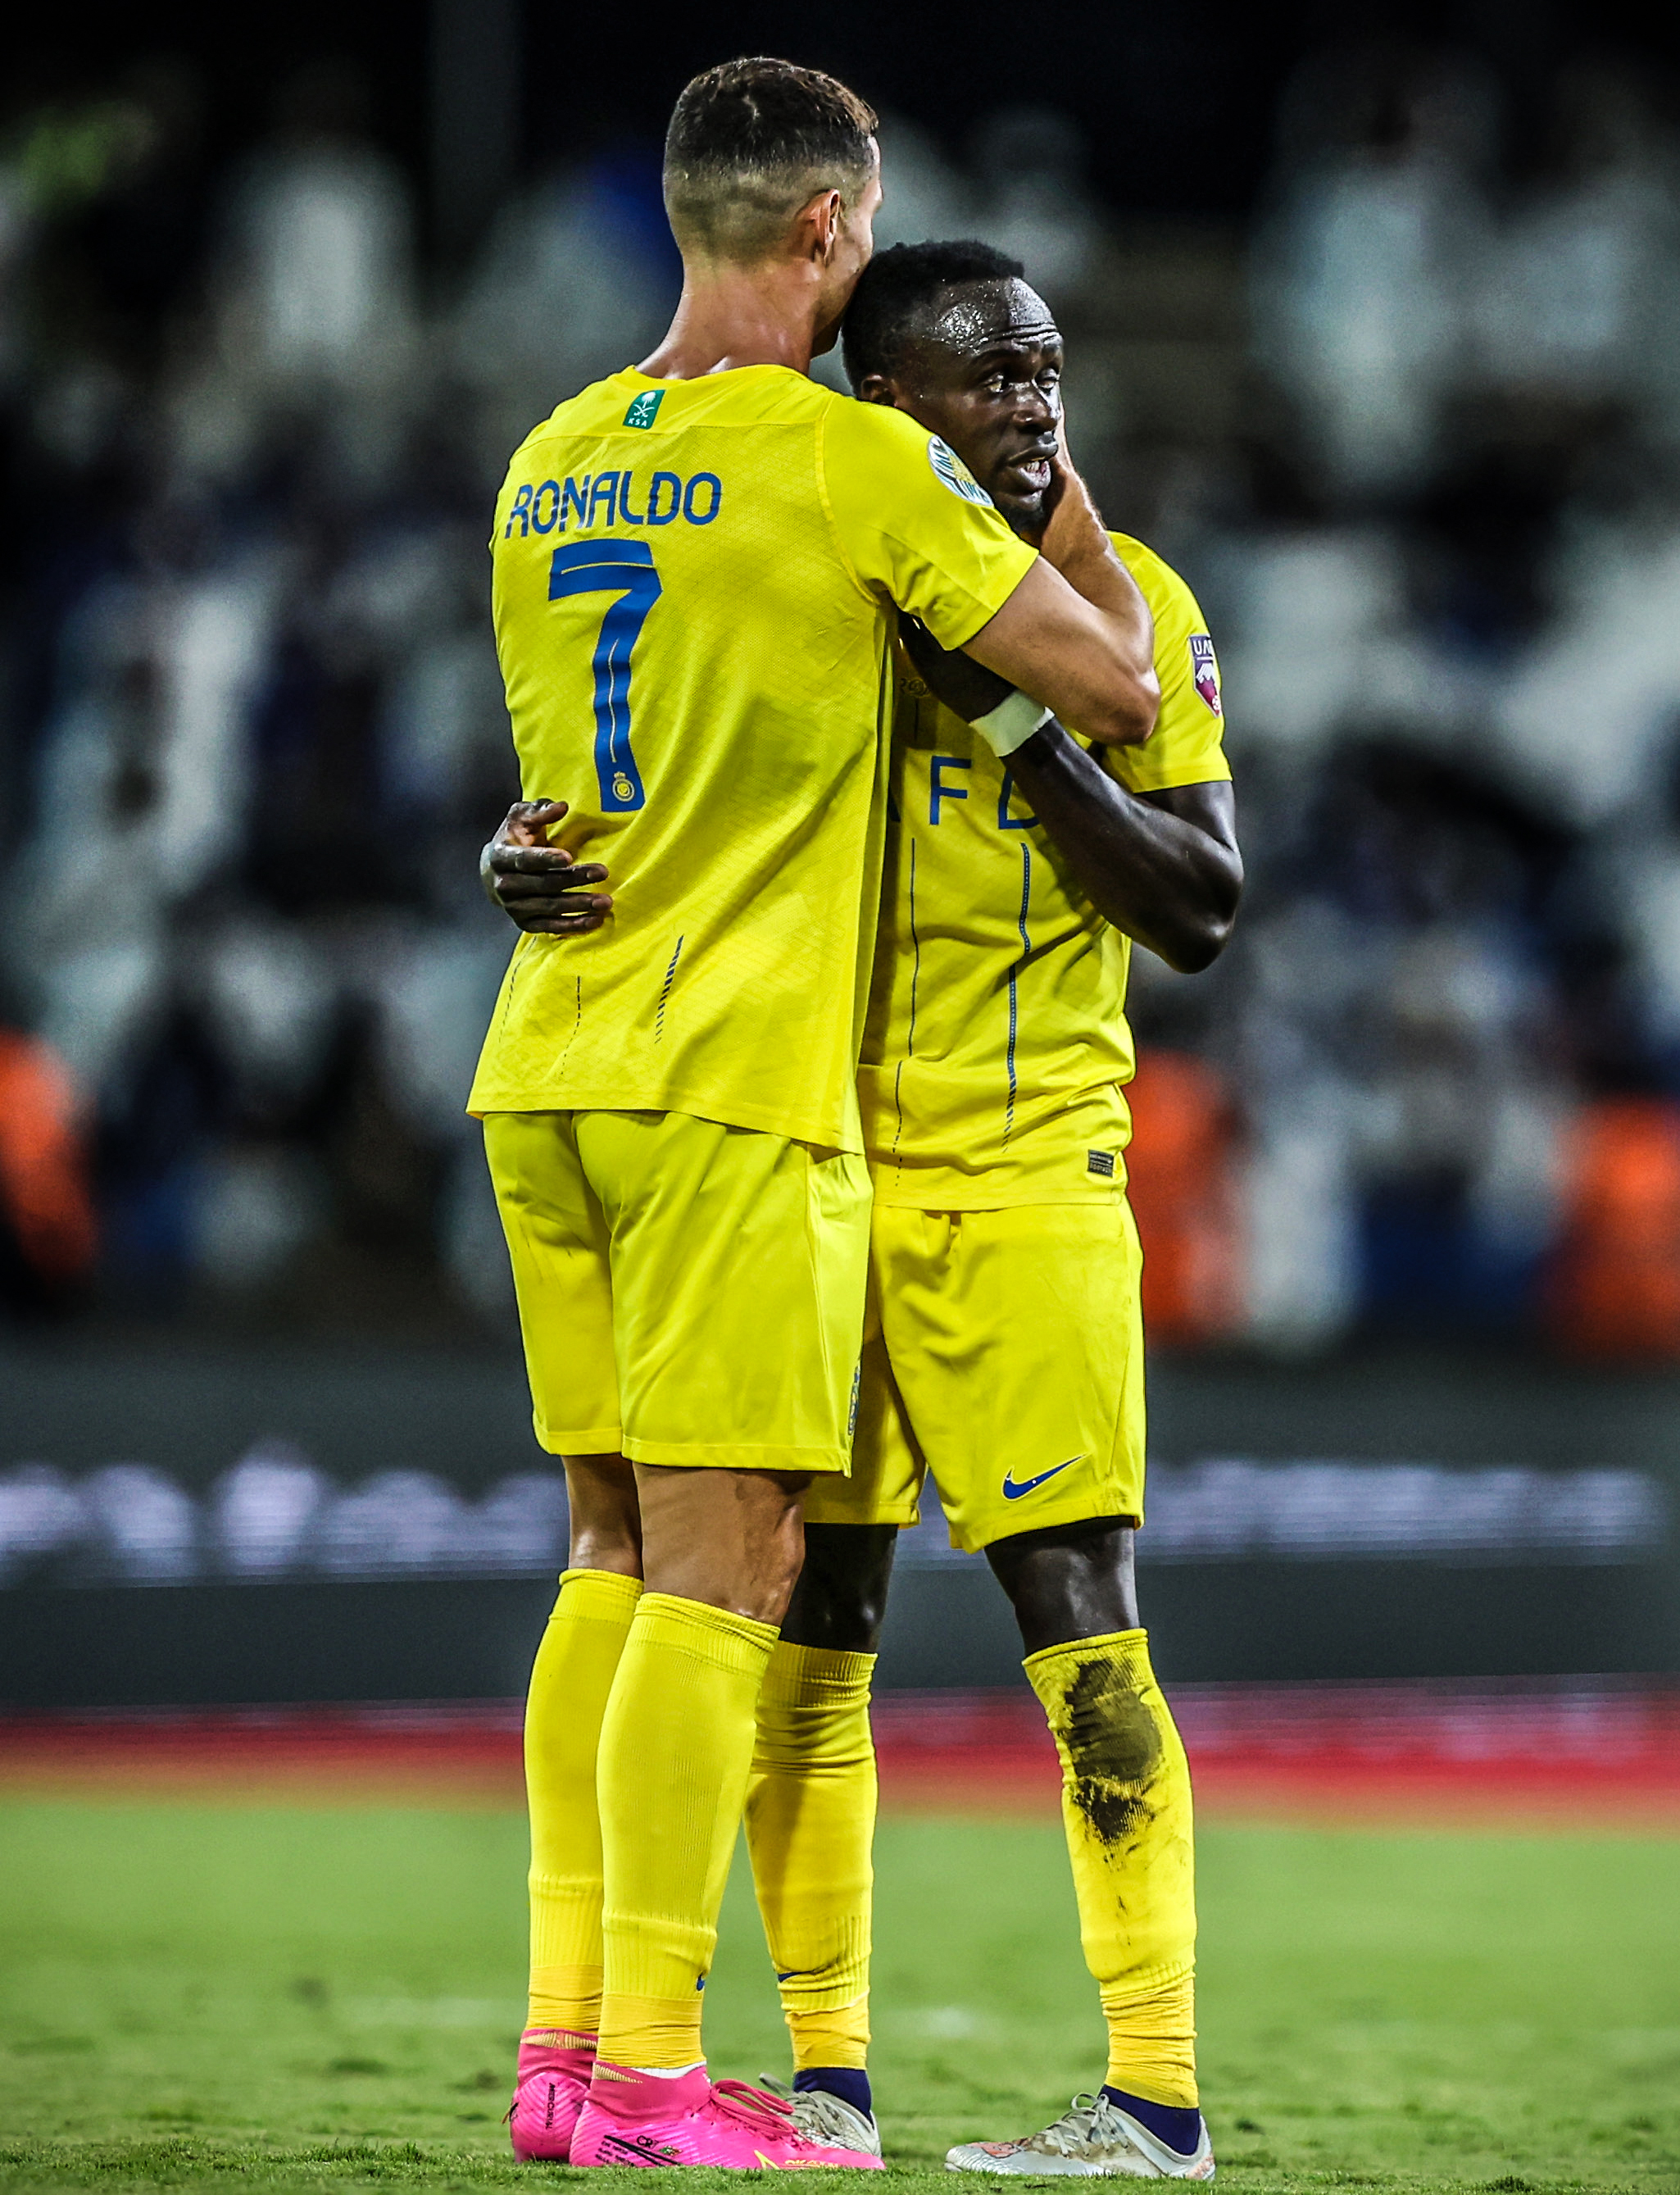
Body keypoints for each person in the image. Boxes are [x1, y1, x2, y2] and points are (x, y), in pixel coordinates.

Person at [485, 239, 1239, 2178]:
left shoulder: (1125, 604)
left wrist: (1001, 725)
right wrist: (524, 841)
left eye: (1044, 375)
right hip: (809, 1159)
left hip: (1021, 1176)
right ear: (878, 406)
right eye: (984, 380)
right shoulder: (816, 583)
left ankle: (1153, 2094)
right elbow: (652, 749)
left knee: (1079, 1620)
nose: (1030, 411)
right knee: (812, 1631)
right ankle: (827, 2074)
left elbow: (1201, 902)